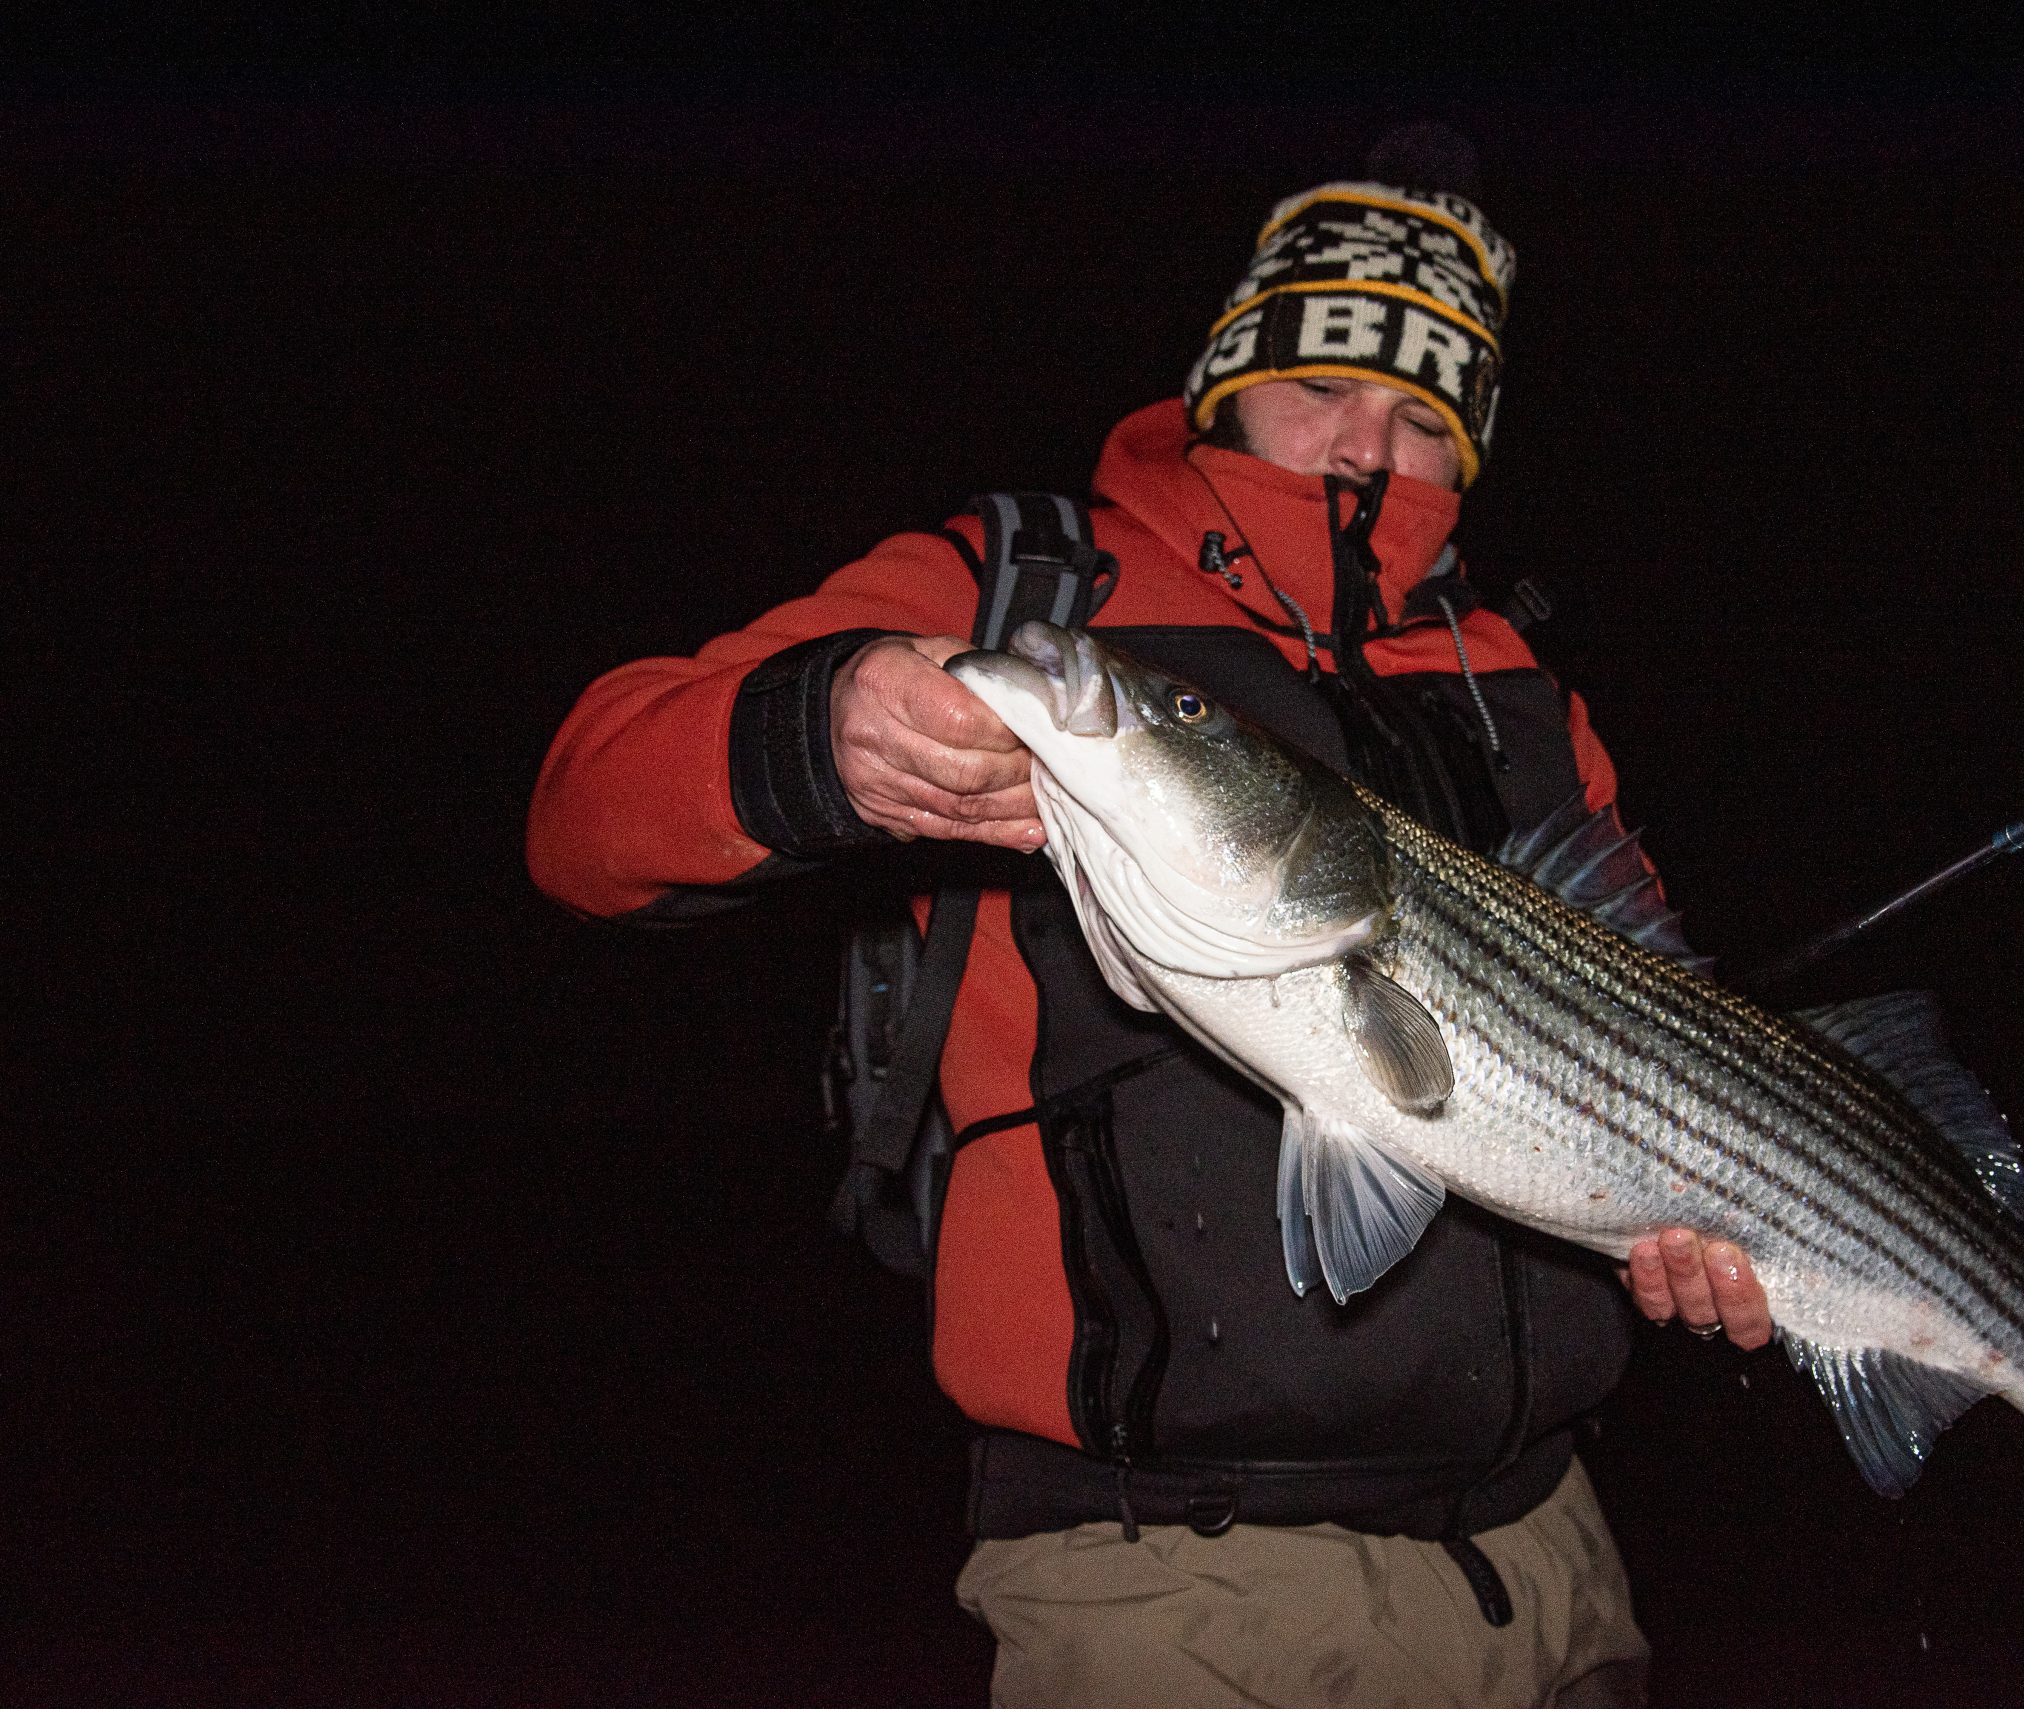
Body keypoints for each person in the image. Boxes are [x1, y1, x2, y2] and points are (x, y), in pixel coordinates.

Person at [528, 127, 1770, 1709]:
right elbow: (581, 811)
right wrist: (823, 730)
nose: (1364, 449)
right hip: (1177, 1584)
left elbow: (1659, 1020)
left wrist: (1710, 1211)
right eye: (1321, 385)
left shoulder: (1515, 687)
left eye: (1424, 417)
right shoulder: (1029, 595)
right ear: (1227, 378)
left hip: (1556, 1559)